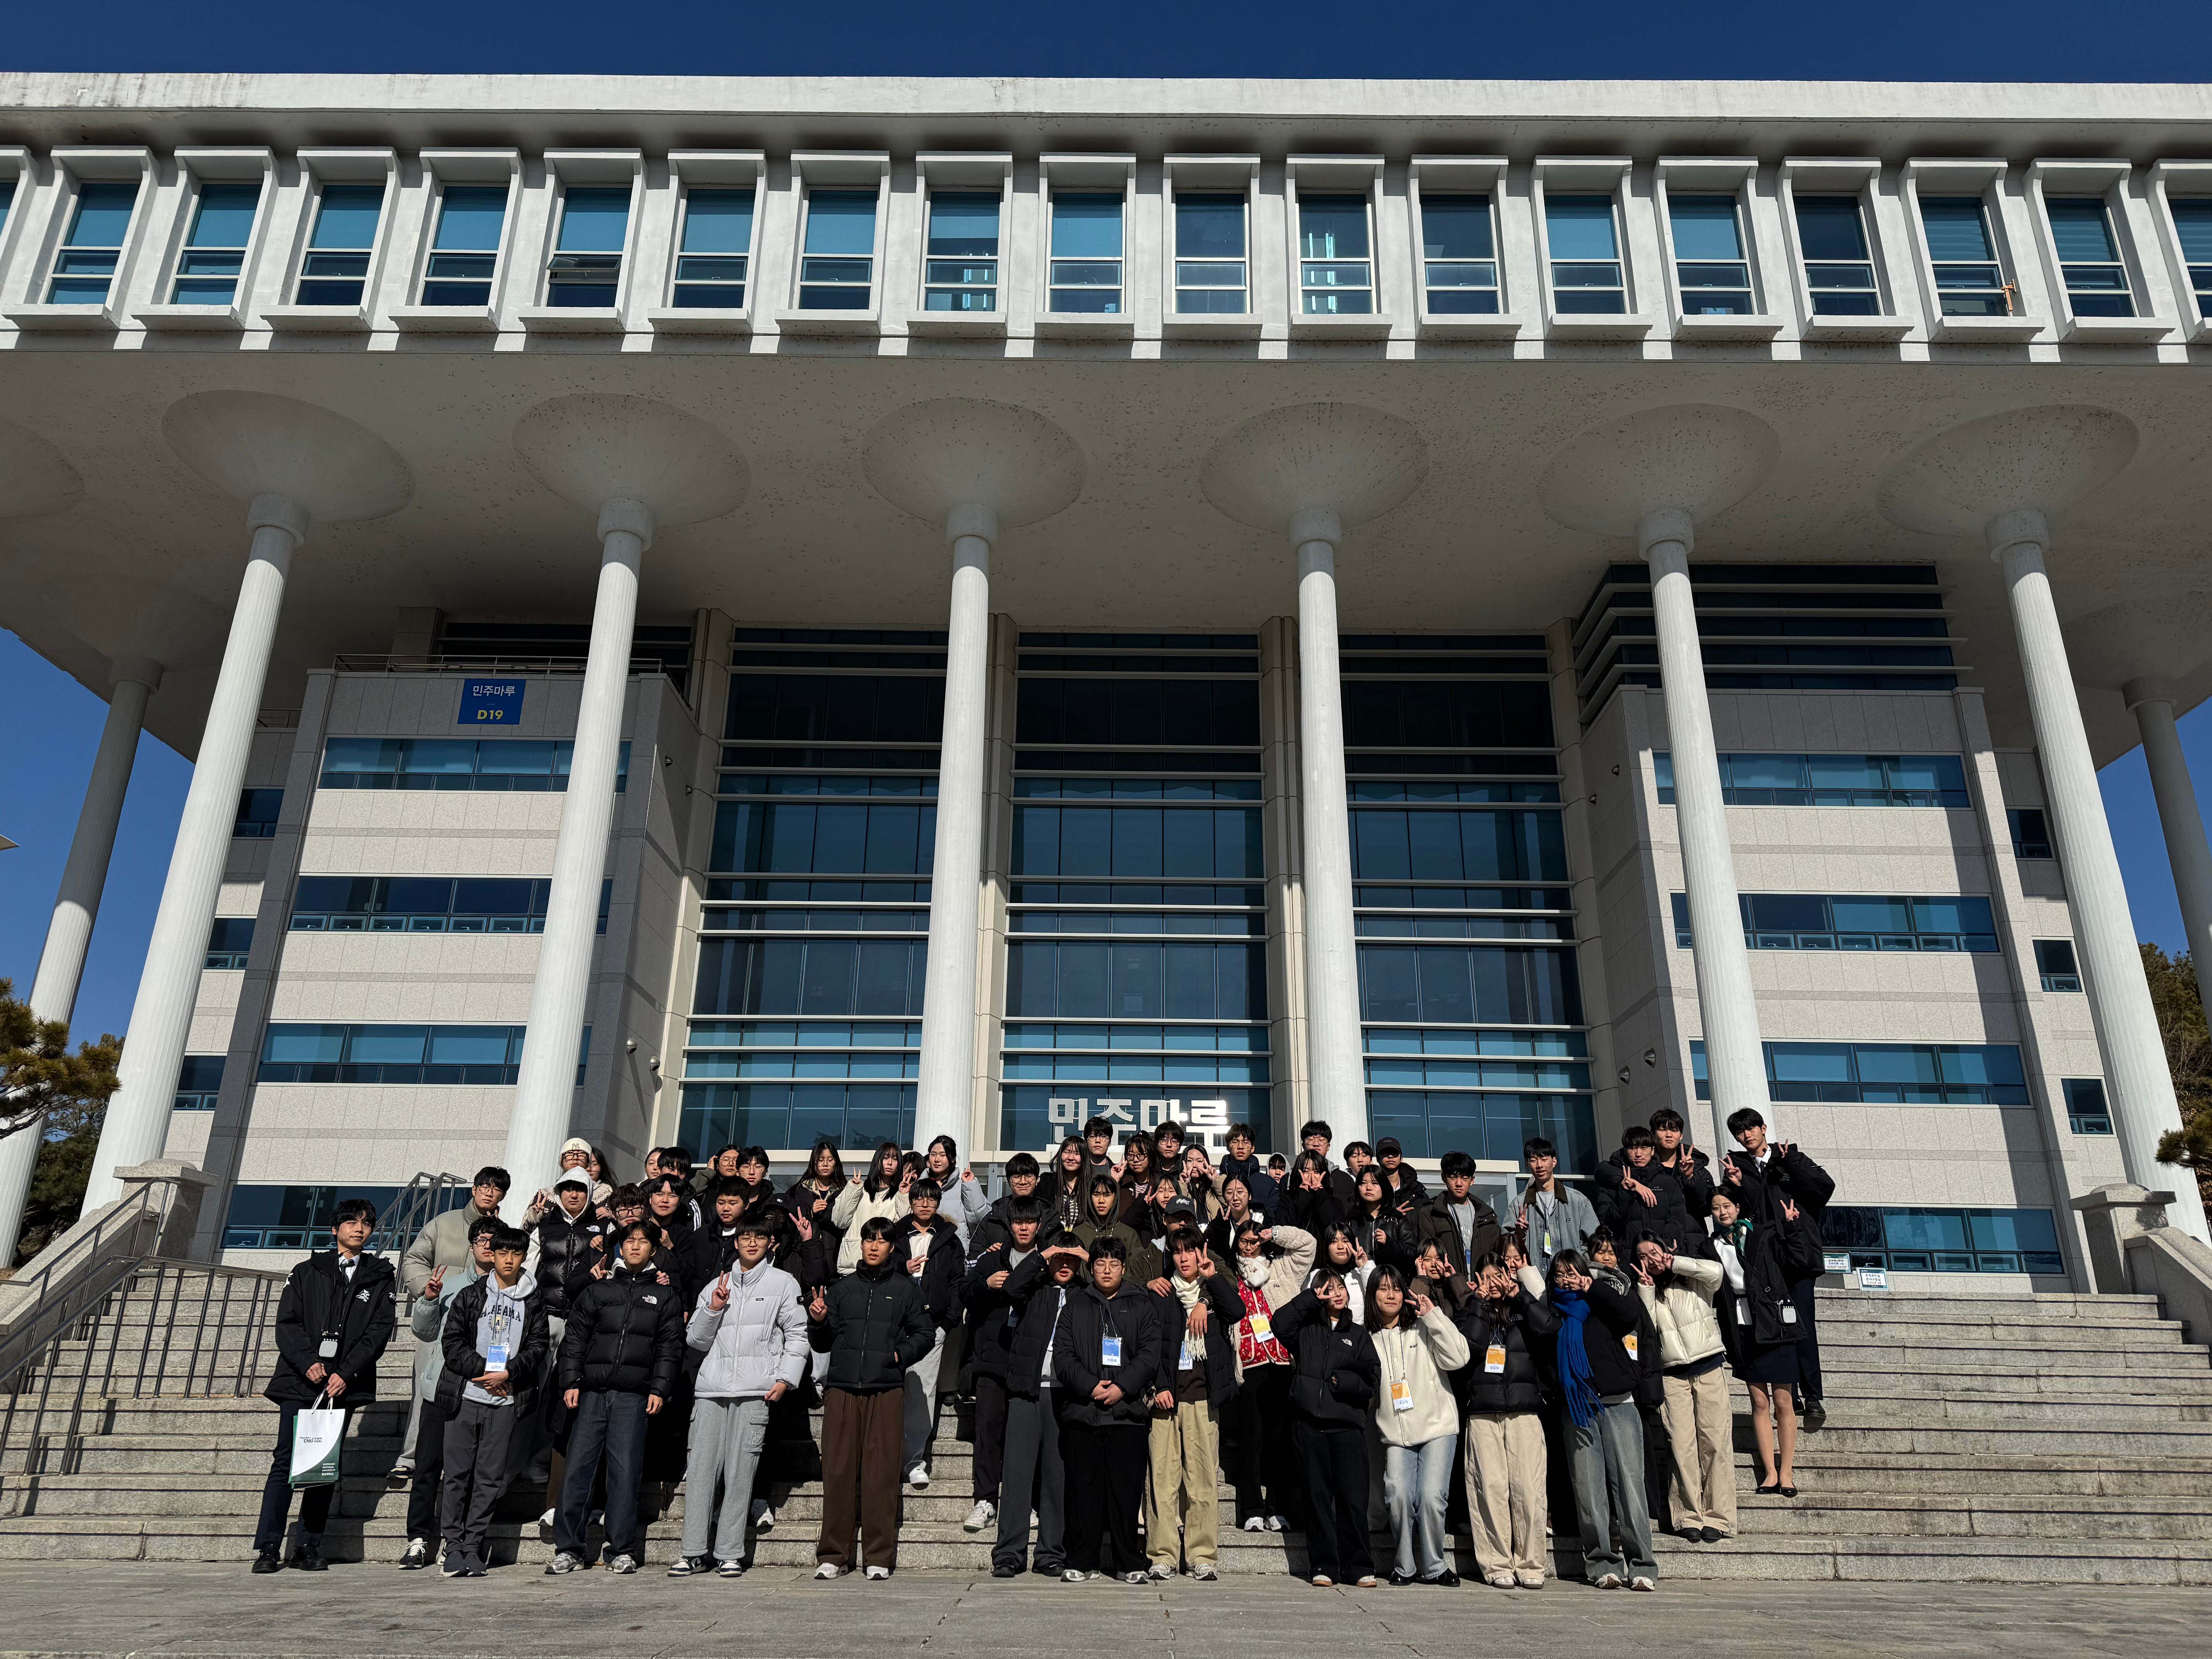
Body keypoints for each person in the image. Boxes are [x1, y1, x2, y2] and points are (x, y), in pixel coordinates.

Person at [251, 1198, 397, 1573]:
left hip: (341, 1386)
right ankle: (268, 1547)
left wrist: (345, 1373)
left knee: (323, 1465)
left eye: (367, 1223)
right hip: (300, 1381)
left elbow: (378, 1332)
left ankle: (308, 1546)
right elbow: (288, 1324)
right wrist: (309, 1364)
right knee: (285, 1462)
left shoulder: (380, 1276)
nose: (359, 1228)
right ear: (335, 1230)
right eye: (351, 1222)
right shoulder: (306, 1272)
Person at [671, 1209, 810, 1578]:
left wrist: (785, 1379)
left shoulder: (783, 1284)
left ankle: (730, 1551)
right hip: (712, 1391)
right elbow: (696, 1340)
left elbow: (798, 1336)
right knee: (701, 1472)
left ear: (770, 1244)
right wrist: (714, 1308)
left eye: (759, 1238)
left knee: (740, 1473)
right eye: (746, 1237)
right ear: (736, 1242)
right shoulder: (716, 1284)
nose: (752, 1242)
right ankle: (692, 1551)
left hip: (755, 1392)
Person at [545, 1222, 685, 1577]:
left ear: (654, 1250)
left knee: (625, 1472)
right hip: (591, 1392)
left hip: (634, 1397)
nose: (635, 1247)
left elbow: (670, 1348)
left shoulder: (665, 1296)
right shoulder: (598, 1291)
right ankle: (569, 1549)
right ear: (620, 1248)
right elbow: (574, 1339)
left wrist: (660, 1388)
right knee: (578, 1469)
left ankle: (621, 1549)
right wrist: (571, 1381)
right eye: (629, 1241)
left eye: (643, 1242)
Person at [809, 1215, 935, 1580]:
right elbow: (822, 1342)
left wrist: (900, 1354)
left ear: (892, 1248)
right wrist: (818, 1321)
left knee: (881, 1476)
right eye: (869, 1240)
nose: (875, 1246)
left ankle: (878, 1557)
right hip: (843, 1390)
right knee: (838, 1472)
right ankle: (833, 1555)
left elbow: (925, 1333)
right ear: (861, 1246)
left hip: (886, 1390)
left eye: (882, 1241)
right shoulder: (842, 1289)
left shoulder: (906, 1289)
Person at [437, 1223, 549, 1577]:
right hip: (467, 1396)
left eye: (516, 1254)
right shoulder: (471, 1296)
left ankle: (473, 1546)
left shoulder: (534, 1300)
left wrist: (509, 1374)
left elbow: (538, 1347)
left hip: (506, 1401)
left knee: (489, 1477)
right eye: (503, 1253)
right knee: (456, 1475)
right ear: (493, 1255)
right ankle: (452, 1546)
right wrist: (485, 1372)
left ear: (524, 1257)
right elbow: (452, 1342)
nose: (509, 1260)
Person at [1051, 1232, 1162, 1583]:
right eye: (1100, 1263)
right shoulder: (1076, 1305)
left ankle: (1129, 1562)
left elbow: (1149, 1354)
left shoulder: (1141, 1303)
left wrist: (1122, 1388)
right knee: (1083, 1491)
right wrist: (1089, 1386)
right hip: (1084, 1414)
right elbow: (1064, 1357)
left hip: (1127, 1415)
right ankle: (1081, 1560)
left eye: (1114, 1263)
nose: (1107, 1269)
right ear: (1092, 1266)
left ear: (1124, 1267)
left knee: (1126, 1494)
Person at [1546, 1249, 1657, 1591]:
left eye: (1572, 1272)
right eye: (1560, 1275)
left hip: (1618, 1402)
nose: (1567, 1280)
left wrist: (1593, 1287)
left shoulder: (1599, 1299)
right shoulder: (1552, 1311)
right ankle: (1602, 1564)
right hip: (1579, 1409)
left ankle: (1642, 1565)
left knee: (1629, 1488)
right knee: (1590, 1490)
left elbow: (1630, 1314)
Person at [392, 1167, 507, 1484]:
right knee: (425, 1390)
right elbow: (414, 1259)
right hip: (440, 1316)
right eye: (484, 1186)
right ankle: (410, 1458)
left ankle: (453, 1461)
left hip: (480, 1328)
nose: (489, 1192)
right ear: (474, 1188)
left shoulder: (501, 1233)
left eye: (497, 1189)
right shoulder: (444, 1222)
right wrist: (427, 1292)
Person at [1723, 1109, 1836, 1426]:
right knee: (1778, 1327)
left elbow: (1824, 1190)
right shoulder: (1739, 1167)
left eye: (1751, 1129)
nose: (1747, 1136)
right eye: (1740, 1133)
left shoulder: (1791, 1157)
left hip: (1798, 1254)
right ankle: (1792, 1395)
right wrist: (1739, 1184)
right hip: (1767, 1261)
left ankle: (1813, 1396)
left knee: (1803, 1325)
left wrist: (1792, 1164)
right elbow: (1742, 1212)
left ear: (1764, 1128)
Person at [399, 1218, 499, 1568]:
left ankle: (454, 1541)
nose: (487, 1245)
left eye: (494, 1240)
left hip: (479, 1391)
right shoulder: (449, 1284)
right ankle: (418, 1539)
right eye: (481, 1239)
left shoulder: (510, 1291)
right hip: (440, 1388)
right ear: (471, 1246)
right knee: (427, 1466)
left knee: (468, 1471)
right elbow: (425, 1333)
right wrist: (428, 1299)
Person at [1456, 1251, 1559, 1590]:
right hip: (1483, 1411)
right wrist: (1479, 1303)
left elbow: (1548, 1328)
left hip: (1525, 1409)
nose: (1494, 1283)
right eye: (1486, 1277)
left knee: (1529, 1488)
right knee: (1491, 1488)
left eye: (1498, 1276)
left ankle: (1531, 1564)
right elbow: (1467, 1347)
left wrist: (1520, 1296)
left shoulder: (1522, 1310)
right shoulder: (1471, 1311)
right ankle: (1497, 1563)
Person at [1144, 1227, 1241, 1581]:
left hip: (1203, 1398)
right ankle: (1162, 1555)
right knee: (1162, 1482)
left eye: (1190, 1251)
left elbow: (1238, 1310)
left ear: (1202, 1252)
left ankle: (1202, 1556)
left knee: (1202, 1482)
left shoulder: (1210, 1292)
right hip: (1166, 1400)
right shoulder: (1161, 1292)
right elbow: (1149, 1345)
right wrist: (1158, 1386)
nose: (1184, 1259)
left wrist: (1209, 1288)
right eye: (1177, 1252)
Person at [1273, 1274, 1381, 1588]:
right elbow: (1280, 1323)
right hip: (1309, 1424)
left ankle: (1359, 1566)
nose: (1336, 1294)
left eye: (1340, 1288)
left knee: (1352, 1498)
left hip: (1346, 1426)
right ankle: (1324, 1564)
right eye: (1328, 1289)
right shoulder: (1306, 1331)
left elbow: (1371, 1378)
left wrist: (1342, 1383)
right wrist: (1310, 1299)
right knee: (1317, 1498)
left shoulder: (1359, 1335)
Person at [1367, 1264, 1470, 1586]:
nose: (1391, 1294)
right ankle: (1404, 1566)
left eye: (1396, 1288)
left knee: (1431, 1496)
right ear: (1372, 1296)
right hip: (1397, 1434)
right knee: (1397, 1493)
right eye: (1383, 1288)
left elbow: (1459, 1358)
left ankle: (1436, 1566)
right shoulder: (1366, 1340)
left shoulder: (1423, 1327)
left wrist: (1434, 1316)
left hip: (1438, 1426)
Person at [991, 1228, 1086, 1577]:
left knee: (1057, 1476)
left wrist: (1085, 1257)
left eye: (1071, 1258)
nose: (1065, 1263)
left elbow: (1107, 1290)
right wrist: (1044, 1256)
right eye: (1060, 1257)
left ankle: (1050, 1552)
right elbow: (1012, 1287)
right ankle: (1008, 1554)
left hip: (1064, 1394)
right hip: (1027, 1389)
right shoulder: (1035, 1289)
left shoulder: (1085, 1295)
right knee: (1016, 1474)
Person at [1716, 1189, 1821, 1496]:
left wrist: (1791, 1228)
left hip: (1775, 1325)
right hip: (1744, 1329)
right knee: (1759, 1402)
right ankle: (1770, 1473)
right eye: (1716, 1208)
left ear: (1738, 1207)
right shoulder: (1713, 1246)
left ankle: (1787, 1472)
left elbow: (1797, 1259)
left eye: (1727, 1206)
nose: (1722, 1212)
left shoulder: (1760, 1235)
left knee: (1784, 1401)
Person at [1634, 1234, 1733, 1544]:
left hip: (1709, 1367)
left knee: (1715, 1443)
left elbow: (1717, 1273)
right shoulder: (1645, 1292)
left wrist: (1676, 1263)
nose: (1652, 1258)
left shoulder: (1694, 1282)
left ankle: (1719, 1517)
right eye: (1644, 1256)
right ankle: (1687, 1515)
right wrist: (1647, 1288)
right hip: (1671, 1375)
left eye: (1655, 1251)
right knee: (1681, 1445)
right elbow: (1647, 1331)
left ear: (1666, 1249)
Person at [963, 1195, 1045, 1534]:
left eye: (1029, 1222)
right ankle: (985, 1501)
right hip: (992, 1358)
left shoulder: (1046, 1263)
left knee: (1024, 1436)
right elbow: (964, 1295)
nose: (1023, 1228)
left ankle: (1022, 1501)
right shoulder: (992, 1259)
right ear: (1009, 1225)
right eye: (1017, 1222)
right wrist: (986, 1284)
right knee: (987, 1435)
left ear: (1039, 1226)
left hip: (1029, 1362)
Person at [1226, 1218, 1314, 1532]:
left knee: (1280, 1439)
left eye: (1255, 1241)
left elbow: (1308, 1245)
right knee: (1252, 1439)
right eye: (1245, 1241)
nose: (1250, 1247)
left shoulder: (1282, 1269)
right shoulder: (1230, 1273)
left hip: (1280, 1362)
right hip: (1248, 1365)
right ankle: (1252, 1508)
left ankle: (1277, 1508)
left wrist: (1275, 1233)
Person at [889, 1178, 966, 1489]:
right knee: (892, 1390)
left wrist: (947, 1323)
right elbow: (877, 1267)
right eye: (919, 1199)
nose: (924, 1204)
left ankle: (915, 1461)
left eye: (931, 1200)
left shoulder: (950, 1240)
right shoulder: (893, 1234)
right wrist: (902, 1269)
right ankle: (887, 1458)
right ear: (911, 1201)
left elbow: (958, 1283)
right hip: (894, 1324)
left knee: (923, 1392)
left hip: (931, 1326)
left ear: (938, 1204)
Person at [1594, 1127, 1696, 1254]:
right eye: (1632, 1148)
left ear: (1653, 1151)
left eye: (1644, 1148)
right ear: (1625, 1151)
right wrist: (1626, 1193)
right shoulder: (1612, 1184)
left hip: (1662, 1257)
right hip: (1626, 1259)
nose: (1638, 1154)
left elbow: (1677, 1220)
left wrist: (1663, 1247)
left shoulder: (1668, 1183)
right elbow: (1606, 1224)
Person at [1515, 1137, 1598, 1279]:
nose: (1539, 1165)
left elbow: (1596, 1242)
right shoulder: (1519, 1204)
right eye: (1534, 1160)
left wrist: (1575, 1262)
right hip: (1534, 1283)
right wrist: (1520, 1235)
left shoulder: (1578, 1201)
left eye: (1544, 1159)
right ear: (1528, 1164)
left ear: (1554, 1162)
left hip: (1572, 1279)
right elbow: (1507, 1250)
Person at [1414, 1151, 1501, 1284]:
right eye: (1453, 1178)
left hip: (1483, 1289)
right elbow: (1429, 1257)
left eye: (1465, 1178)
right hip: (1446, 1289)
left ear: (1473, 1180)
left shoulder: (1487, 1216)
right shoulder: (1430, 1213)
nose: (1459, 1183)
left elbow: (1495, 1256)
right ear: (1444, 1178)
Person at [831, 1141, 912, 1276]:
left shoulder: (901, 1193)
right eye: (886, 1158)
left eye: (895, 1159)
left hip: (883, 1267)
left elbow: (902, 1228)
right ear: (878, 1160)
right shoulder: (859, 1189)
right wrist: (852, 1189)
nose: (890, 1163)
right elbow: (840, 1222)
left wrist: (904, 1196)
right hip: (853, 1265)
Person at [1073, 1174, 1163, 1286]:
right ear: (1090, 1197)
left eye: (1107, 1195)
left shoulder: (1129, 1234)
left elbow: (1136, 1275)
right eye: (1097, 1195)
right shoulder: (1078, 1234)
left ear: (1115, 1198)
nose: (1101, 1200)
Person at [784, 1137, 848, 1264]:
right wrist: (811, 1214)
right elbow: (789, 1224)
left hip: (836, 1257)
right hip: (805, 1255)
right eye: (820, 1160)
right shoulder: (798, 1191)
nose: (825, 1164)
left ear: (836, 1163)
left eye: (830, 1160)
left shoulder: (845, 1192)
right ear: (813, 1163)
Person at [1647, 1108, 1715, 1223]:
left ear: (1681, 1136)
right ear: (1653, 1134)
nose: (1669, 1135)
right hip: (1655, 1235)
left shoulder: (1697, 1166)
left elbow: (1707, 1208)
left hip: (1691, 1235)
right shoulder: (1645, 1165)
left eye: (1674, 1130)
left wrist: (1690, 1178)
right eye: (1663, 1130)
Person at [923, 1134, 991, 1247]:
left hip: (955, 1252)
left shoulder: (962, 1186)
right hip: (924, 1253)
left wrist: (970, 1187)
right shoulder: (919, 1186)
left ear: (952, 1158)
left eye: (943, 1155)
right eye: (933, 1154)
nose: (937, 1160)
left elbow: (980, 1220)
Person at [1296, 1121, 1360, 1210]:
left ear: (1329, 1146)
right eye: (1311, 1140)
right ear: (1303, 1145)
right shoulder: (1291, 1177)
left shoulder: (1343, 1179)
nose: (1316, 1144)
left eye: (1321, 1140)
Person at [1217, 1122, 1280, 1211]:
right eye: (1235, 1142)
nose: (1240, 1147)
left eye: (1246, 1142)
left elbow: (1274, 1218)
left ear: (1253, 1148)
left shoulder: (1268, 1184)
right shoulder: (1218, 1182)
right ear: (1228, 1147)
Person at [1043, 1136, 1092, 1230]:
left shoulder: (1091, 1186)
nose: (1071, 1158)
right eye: (1067, 1152)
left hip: (1081, 1242)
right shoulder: (1047, 1183)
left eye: (1077, 1153)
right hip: (1052, 1242)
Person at [1374, 1139, 1426, 1215]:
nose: (1391, 1156)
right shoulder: (1371, 1189)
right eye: (1386, 1153)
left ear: (1401, 1158)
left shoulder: (1416, 1190)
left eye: (1395, 1153)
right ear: (1378, 1158)